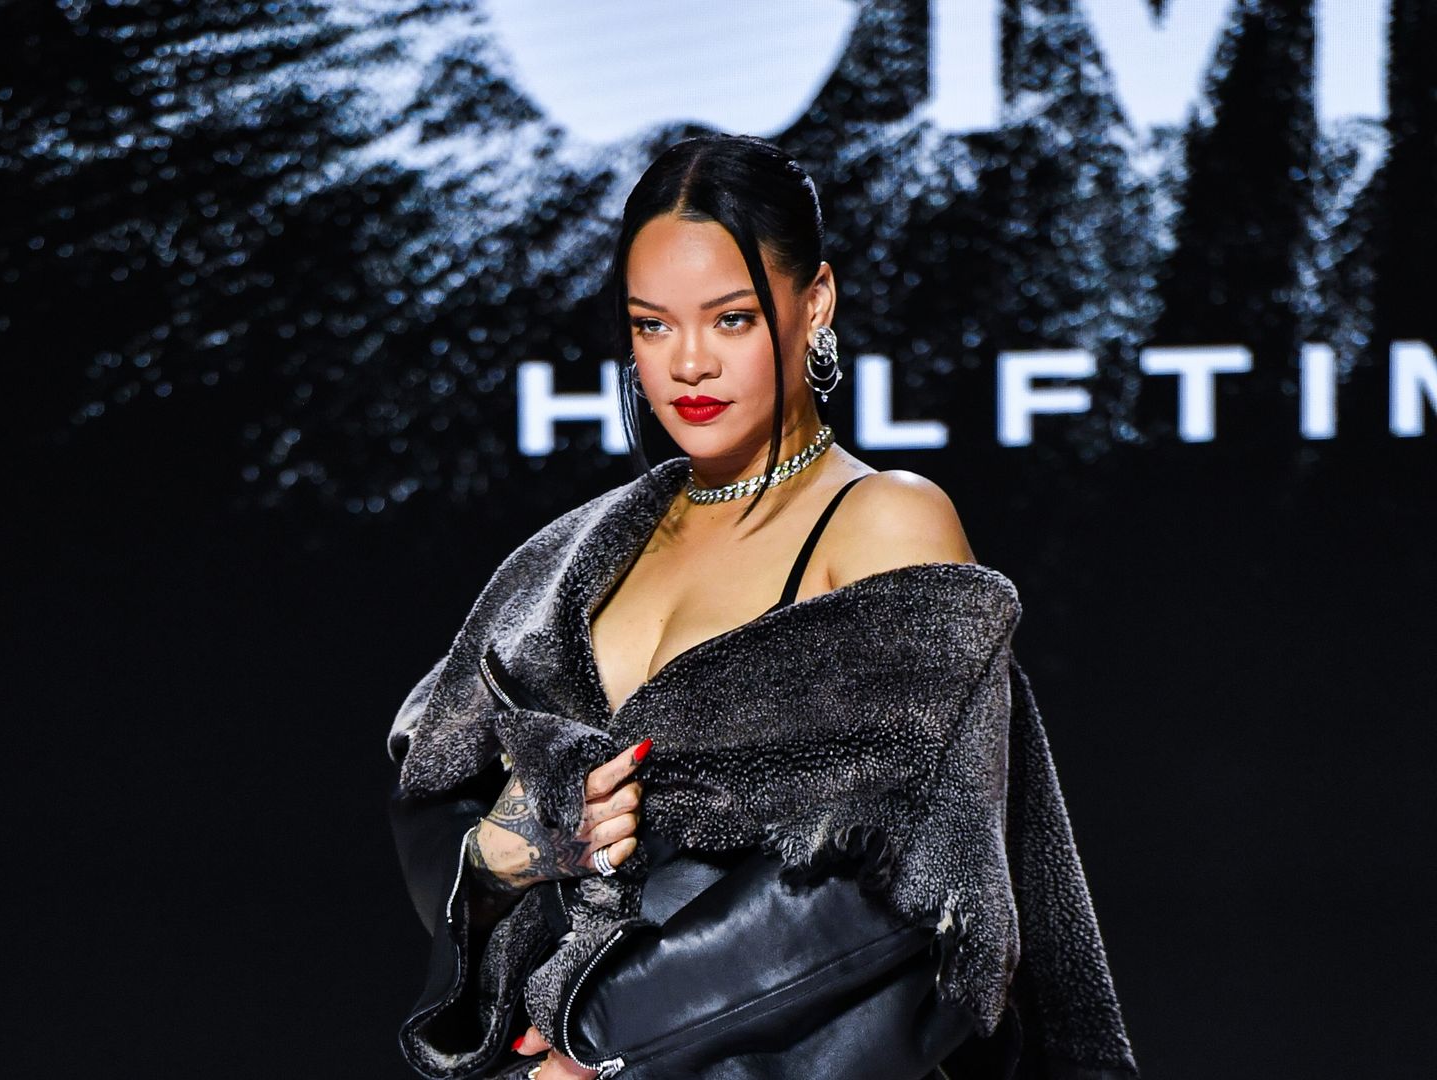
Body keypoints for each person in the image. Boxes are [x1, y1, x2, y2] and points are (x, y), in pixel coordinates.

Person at [387, 135, 1137, 1080]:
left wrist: (601, 1046)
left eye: (730, 319)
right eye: (652, 325)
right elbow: (438, 770)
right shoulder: (576, 556)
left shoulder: (884, 522)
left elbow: (904, 880)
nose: (687, 363)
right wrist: (493, 861)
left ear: (814, 301)